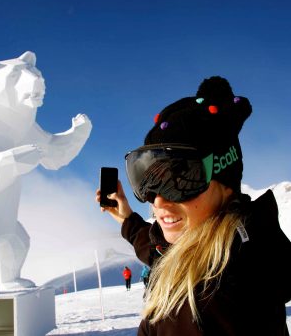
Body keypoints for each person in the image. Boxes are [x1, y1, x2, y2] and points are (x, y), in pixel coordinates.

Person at [96, 77, 291, 335]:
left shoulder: (221, 289)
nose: (157, 201)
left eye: (181, 180)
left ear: (225, 182)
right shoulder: (196, 246)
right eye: (148, 182)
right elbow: (158, 254)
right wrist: (126, 218)